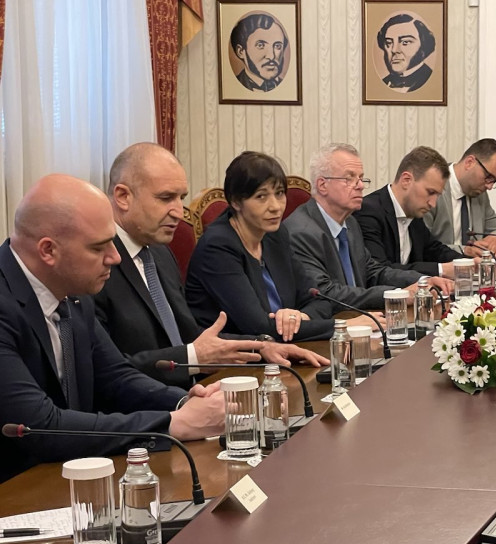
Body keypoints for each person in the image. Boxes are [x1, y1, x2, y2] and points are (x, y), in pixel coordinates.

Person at [0, 174, 225, 483]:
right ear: (48, 251)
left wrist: (183, 401)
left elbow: (115, 376)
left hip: (69, 475)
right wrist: (173, 423)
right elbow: (38, 426)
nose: (115, 257)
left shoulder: (72, 290)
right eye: (98, 247)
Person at [94, 143, 326, 388]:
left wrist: (261, 346)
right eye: (166, 198)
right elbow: (106, 370)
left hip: (197, 390)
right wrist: (192, 361)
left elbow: (190, 334)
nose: (178, 212)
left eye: (181, 198)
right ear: (123, 197)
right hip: (148, 404)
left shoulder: (159, 253)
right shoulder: (95, 264)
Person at [186, 152, 357, 342]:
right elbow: (258, 327)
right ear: (236, 202)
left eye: (279, 193)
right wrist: (344, 327)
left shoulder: (274, 234)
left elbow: (319, 299)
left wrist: (298, 317)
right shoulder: (217, 247)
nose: (275, 206)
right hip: (234, 355)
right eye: (261, 196)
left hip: (283, 348)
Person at [284, 143, 453, 310]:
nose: (360, 186)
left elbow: (373, 272)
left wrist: (423, 282)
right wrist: (397, 294)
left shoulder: (350, 223)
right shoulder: (301, 232)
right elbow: (326, 292)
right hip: (330, 322)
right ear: (322, 185)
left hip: (359, 318)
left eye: (360, 178)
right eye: (349, 178)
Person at [356, 146, 466, 277]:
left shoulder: (414, 212)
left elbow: (434, 250)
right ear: (406, 180)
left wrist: (467, 263)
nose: (433, 203)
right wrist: (441, 270)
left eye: (437, 195)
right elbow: (379, 270)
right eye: (430, 192)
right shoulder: (368, 211)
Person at [422, 138, 496, 256]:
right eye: (489, 177)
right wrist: (464, 250)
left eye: (494, 181)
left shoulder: (479, 195)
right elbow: (423, 246)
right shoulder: (433, 187)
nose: (490, 186)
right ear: (469, 162)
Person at [377, 13, 435, 92]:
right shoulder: (383, 83)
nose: (394, 50)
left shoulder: (431, 80)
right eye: (389, 43)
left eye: (405, 42)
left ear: (423, 45)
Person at [230, 12, 287, 92]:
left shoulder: (288, 87)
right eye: (260, 45)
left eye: (277, 46)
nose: (271, 56)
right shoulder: (231, 87)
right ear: (241, 51)